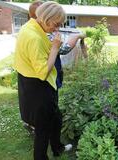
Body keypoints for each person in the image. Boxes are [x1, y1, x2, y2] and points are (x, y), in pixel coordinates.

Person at [13, 1, 71, 159]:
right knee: (43, 129)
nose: (57, 28)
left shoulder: (30, 25)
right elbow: (43, 72)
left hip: (31, 83)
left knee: (56, 117)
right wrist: (54, 48)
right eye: (56, 24)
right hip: (38, 87)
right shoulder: (34, 38)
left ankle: (57, 148)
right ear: (47, 18)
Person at [22, 0, 86, 134]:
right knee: (49, 111)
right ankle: (44, 130)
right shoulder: (38, 36)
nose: (57, 28)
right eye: (56, 23)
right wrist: (76, 36)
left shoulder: (30, 28)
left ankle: (45, 131)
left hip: (39, 78)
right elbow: (62, 50)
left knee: (49, 112)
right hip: (46, 78)